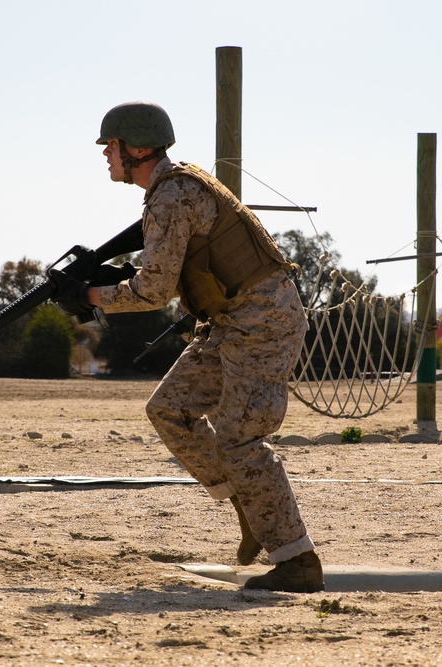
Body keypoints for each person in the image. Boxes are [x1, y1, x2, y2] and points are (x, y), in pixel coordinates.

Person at [50, 101, 323, 593]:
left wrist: (89, 296)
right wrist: (103, 280)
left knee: (240, 440)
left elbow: (152, 292)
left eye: (110, 146)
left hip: (261, 323)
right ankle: (247, 509)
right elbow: (167, 276)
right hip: (230, 321)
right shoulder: (170, 192)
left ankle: (297, 560)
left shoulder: (173, 196)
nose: (105, 156)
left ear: (136, 148)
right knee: (170, 410)